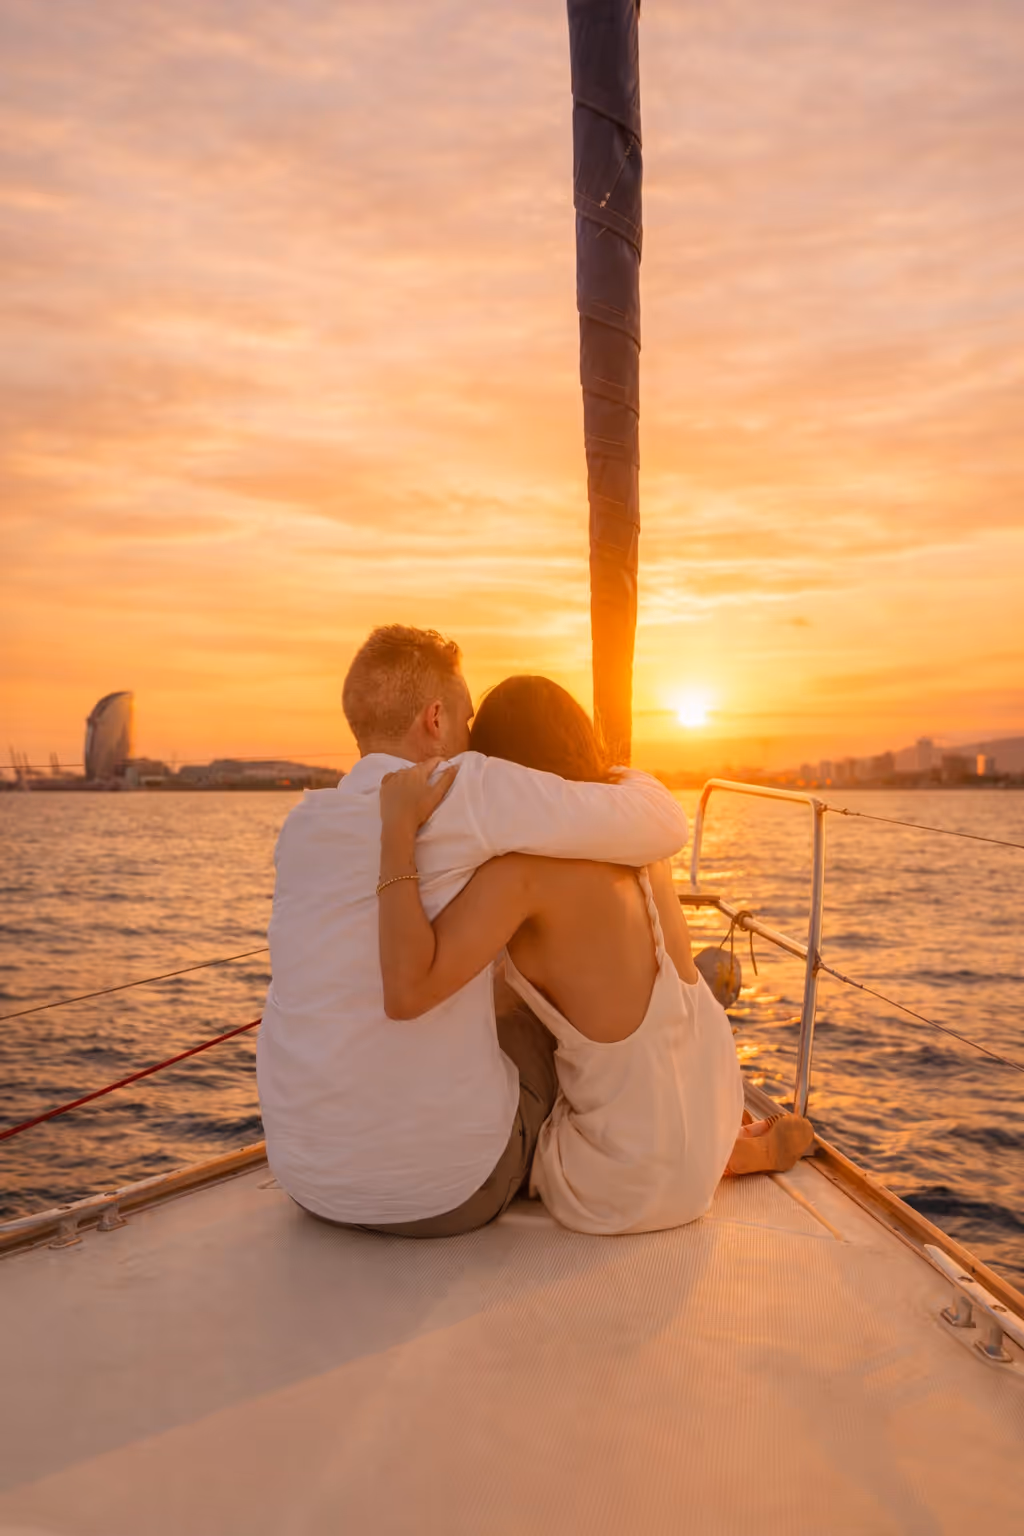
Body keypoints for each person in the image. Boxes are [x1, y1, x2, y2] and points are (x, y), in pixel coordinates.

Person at [257, 626, 692, 1236]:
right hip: (446, 1193)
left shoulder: (302, 826)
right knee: (544, 1014)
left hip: (306, 1179)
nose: (472, 737)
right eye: (465, 718)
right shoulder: (470, 785)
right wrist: (616, 767)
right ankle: (660, 1155)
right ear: (435, 719)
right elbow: (664, 824)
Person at [376, 675, 814, 1237]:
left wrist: (397, 830)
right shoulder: (638, 839)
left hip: (620, 1185)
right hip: (711, 1115)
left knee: (507, 1032)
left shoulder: (521, 875)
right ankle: (732, 1148)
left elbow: (410, 992)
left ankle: (713, 1152)